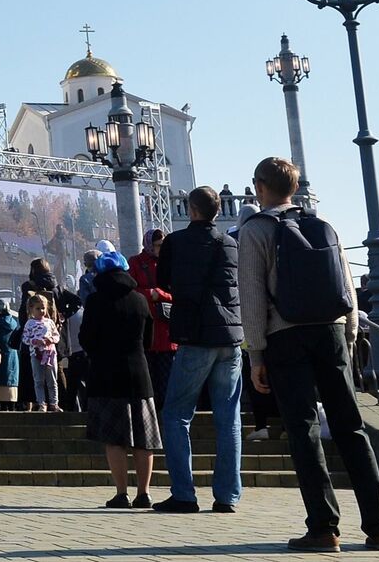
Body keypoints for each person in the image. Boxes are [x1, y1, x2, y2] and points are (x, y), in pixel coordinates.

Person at [240, 156, 379, 552]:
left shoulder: (255, 230)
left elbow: (253, 297)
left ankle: (324, 528)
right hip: (331, 332)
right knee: (351, 427)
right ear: (293, 187)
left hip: (286, 337)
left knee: (304, 430)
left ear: (260, 187)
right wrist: (349, 334)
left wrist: (256, 354)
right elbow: (345, 284)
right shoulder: (322, 224)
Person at [153, 185, 243, 514]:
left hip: (195, 336)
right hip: (230, 338)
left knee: (176, 414)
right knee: (228, 417)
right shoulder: (229, 243)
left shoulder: (176, 242)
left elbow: (162, 282)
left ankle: (184, 494)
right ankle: (227, 496)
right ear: (217, 212)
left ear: (191, 210)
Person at [79, 241, 161, 508]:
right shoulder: (140, 301)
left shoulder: (94, 301)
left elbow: (86, 339)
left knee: (114, 439)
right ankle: (144, 492)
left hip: (105, 375)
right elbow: (149, 341)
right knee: (143, 438)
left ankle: (121, 493)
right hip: (138, 374)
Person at [130, 228, 177, 405]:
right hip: (147, 332)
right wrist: (150, 294)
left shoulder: (171, 262)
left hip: (168, 334)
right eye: (158, 245)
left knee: (168, 384)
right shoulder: (135, 262)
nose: (161, 249)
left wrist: (160, 294)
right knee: (149, 386)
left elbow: (178, 291)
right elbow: (131, 290)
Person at [19, 293, 62, 413]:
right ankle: (41, 403)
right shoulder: (29, 323)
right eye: (38, 308)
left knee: (52, 380)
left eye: (43, 308)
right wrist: (34, 341)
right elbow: (25, 338)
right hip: (36, 354)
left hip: (49, 354)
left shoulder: (49, 322)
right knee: (38, 380)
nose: (41, 311)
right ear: (31, 309)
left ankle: (54, 403)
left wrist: (50, 340)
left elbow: (56, 336)